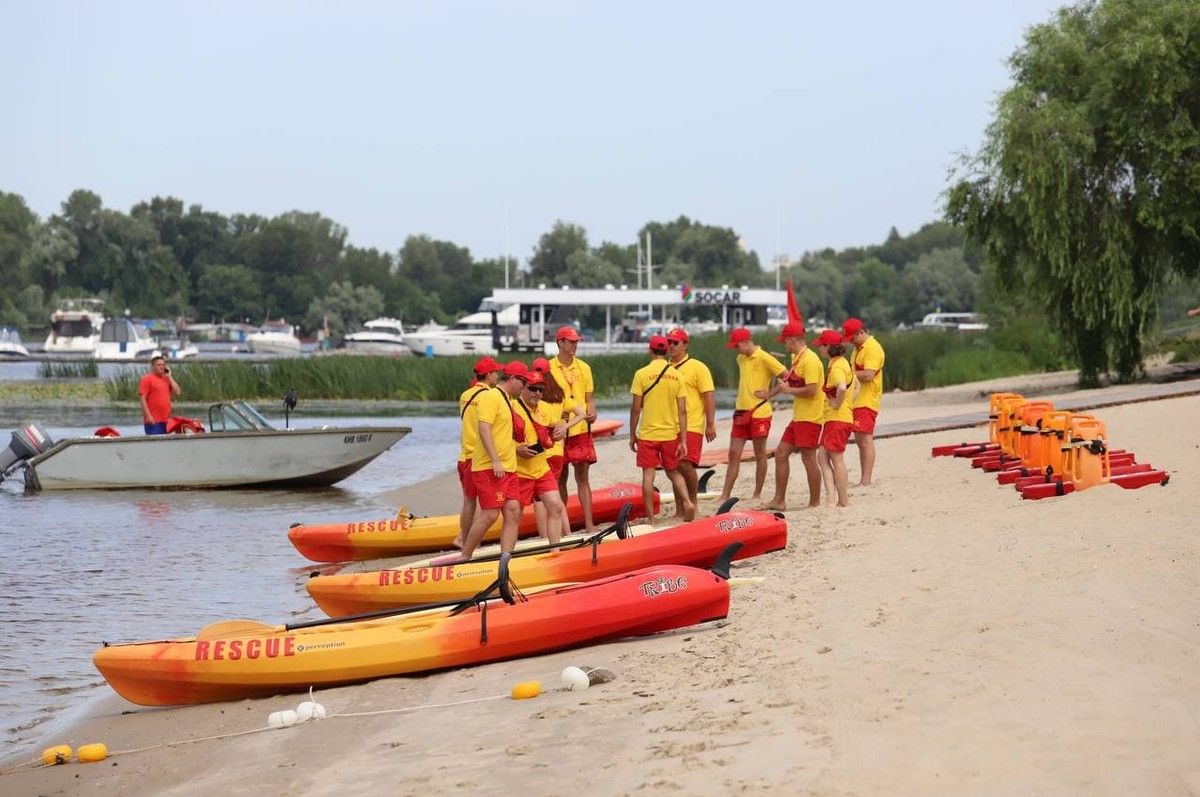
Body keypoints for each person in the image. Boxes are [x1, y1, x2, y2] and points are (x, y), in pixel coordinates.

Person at [459, 362, 528, 585]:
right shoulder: (490, 397)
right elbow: (484, 428)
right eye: (524, 382)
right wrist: (496, 460)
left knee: (514, 511)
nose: (525, 387)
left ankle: (505, 559)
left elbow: (503, 434)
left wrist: (516, 450)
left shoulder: (509, 401)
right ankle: (465, 555)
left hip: (509, 467)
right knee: (490, 514)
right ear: (513, 379)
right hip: (490, 467)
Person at [759, 321, 824, 511]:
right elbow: (786, 382)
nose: (784, 345)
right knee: (781, 453)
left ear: (792, 340)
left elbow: (812, 390)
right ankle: (779, 500)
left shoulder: (810, 360)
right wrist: (769, 394)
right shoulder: (797, 358)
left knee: (808, 458)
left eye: (785, 342)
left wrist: (790, 391)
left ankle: (815, 502)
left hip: (811, 418)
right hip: (798, 417)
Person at [718, 327, 786, 502]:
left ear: (747, 342)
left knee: (760, 454)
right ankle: (725, 494)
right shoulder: (740, 358)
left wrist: (771, 393)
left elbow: (787, 376)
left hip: (760, 412)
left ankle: (757, 492)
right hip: (741, 412)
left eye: (737, 345)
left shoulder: (764, 357)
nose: (735, 349)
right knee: (733, 454)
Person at [629, 335, 692, 522]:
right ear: (666, 351)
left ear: (650, 351)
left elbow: (635, 409)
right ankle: (688, 501)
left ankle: (651, 517)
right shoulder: (677, 375)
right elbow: (682, 411)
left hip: (648, 433)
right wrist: (683, 440)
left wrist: (632, 435)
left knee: (648, 475)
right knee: (673, 472)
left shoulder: (641, 374)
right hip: (669, 434)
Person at [549, 326, 600, 533]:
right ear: (560, 342)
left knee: (583, 478)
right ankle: (563, 527)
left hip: (580, 429)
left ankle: (589, 524)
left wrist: (593, 412)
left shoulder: (584, 368)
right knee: (560, 478)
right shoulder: (549, 367)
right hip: (558, 430)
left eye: (576, 341)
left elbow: (589, 399)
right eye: (571, 341)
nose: (575, 345)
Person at [453, 356, 502, 549]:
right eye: (495, 372)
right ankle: (472, 542)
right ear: (489, 375)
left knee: (469, 502)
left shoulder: (465, 395)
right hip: (481, 457)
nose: (498, 375)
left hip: (464, 456)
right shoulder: (490, 396)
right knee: (485, 503)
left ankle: (465, 540)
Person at [514, 369, 568, 543]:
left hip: (541, 468)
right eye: (533, 388)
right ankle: (506, 554)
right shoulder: (512, 408)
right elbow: (497, 438)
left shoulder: (544, 408)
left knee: (556, 506)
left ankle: (554, 550)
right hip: (519, 470)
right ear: (523, 388)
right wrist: (517, 449)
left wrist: (561, 427)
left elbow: (557, 421)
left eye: (541, 390)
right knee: (514, 515)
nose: (537, 393)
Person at [667, 328, 717, 515]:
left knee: (685, 464)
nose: (671, 346)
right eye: (669, 342)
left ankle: (693, 503)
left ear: (685, 345)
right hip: (671, 425)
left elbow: (709, 395)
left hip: (693, 424)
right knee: (674, 466)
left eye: (675, 343)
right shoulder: (666, 367)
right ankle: (680, 509)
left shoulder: (698, 367)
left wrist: (710, 423)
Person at [530, 357, 574, 537]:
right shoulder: (559, 393)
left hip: (541, 452)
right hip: (557, 451)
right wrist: (564, 425)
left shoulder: (534, 397)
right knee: (554, 495)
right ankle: (568, 533)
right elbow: (582, 413)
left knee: (539, 499)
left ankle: (544, 537)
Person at [813, 329, 855, 507]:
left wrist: (837, 404)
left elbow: (843, 387)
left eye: (821, 345)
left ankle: (842, 500)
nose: (819, 349)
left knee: (836, 459)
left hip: (838, 418)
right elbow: (856, 384)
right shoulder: (840, 363)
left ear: (829, 347)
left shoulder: (837, 366)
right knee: (822, 457)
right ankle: (831, 497)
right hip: (834, 418)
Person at [842, 318, 885, 486]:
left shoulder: (873, 348)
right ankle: (864, 478)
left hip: (867, 400)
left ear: (861, 332)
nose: (850, 341)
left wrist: (847, 374)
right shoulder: (857, 349)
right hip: (856, 400)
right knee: (861, 440)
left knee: (865, 440)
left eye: (852, 337)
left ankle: (866, 480)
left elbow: (868, 375)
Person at [138, 355, 181, 435]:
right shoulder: (146, 379)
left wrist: (170, 377)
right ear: (153, 367)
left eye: (163, 365)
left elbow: (178, 392)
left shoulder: (166, 379)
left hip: (167, 420)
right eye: (159, 365)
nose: (162, 367)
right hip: (153, 421)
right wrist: (148, 416)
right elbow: (142, 399)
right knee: (155, 444)